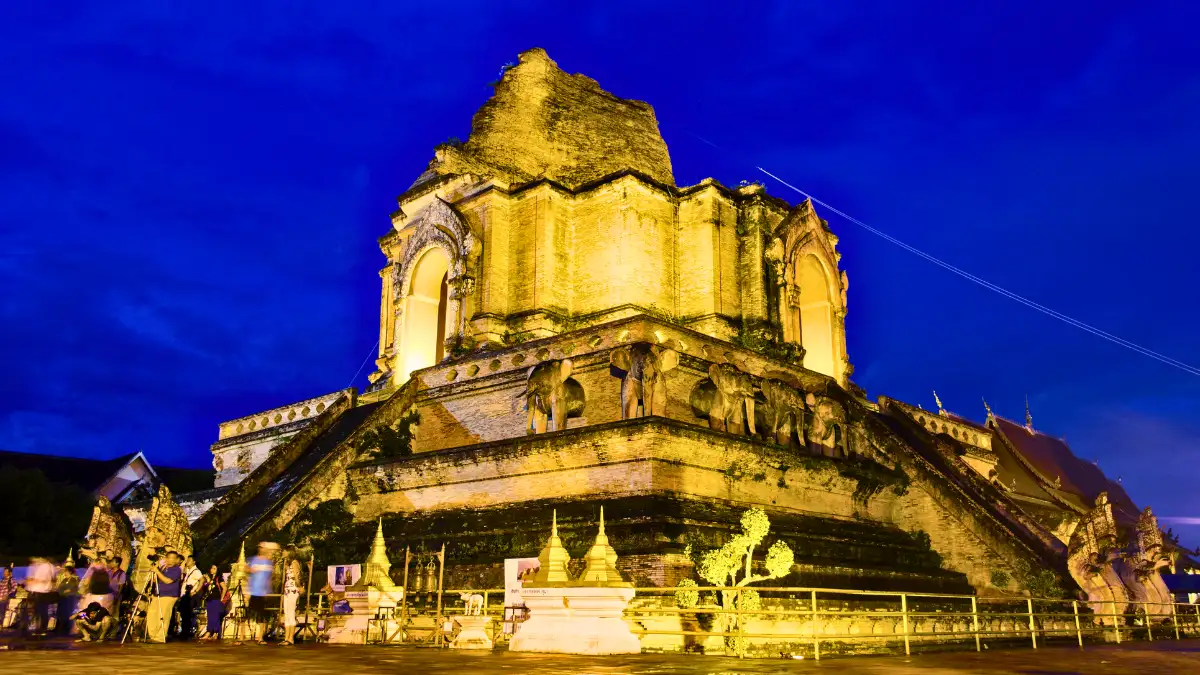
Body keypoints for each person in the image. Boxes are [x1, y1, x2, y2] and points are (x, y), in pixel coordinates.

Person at [145, 551, 182, 643]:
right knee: (152, 613)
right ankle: (153, 635)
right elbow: (155, 580)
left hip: (169, 595)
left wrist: (157, 571)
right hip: (158, 594)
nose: (172, 560)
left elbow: (168, 581)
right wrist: (155, 571)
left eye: (174, 558)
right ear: (166, 558)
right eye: (170, 558)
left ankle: (160, 637)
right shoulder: (163, 568)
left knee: (163, 615)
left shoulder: (177, 569)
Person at [245, 542, 278, 644]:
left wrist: (268, 590)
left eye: (263, 548)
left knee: (262, 616)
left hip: (262, 593)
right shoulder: (253, 560)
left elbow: (270, 578)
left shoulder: (269, 562)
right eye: (260, 548)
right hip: (253, 592)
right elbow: (246, 571)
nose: (262, 550)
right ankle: (242, 638)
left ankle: (260, 638)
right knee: (248, 615)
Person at [23, 556, 55, 635]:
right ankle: (38, 628)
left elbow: (43, 579)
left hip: (41, 592)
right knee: (39, 611)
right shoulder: (45, 566)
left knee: (41, 611)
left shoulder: (45, 566)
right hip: (40, 592)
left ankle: (41, 629)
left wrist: (32, 580)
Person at [179, 555, 203, 640]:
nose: (187, 561)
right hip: (184, 595)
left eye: (189, 560)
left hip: (189, 595)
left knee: (187, 615)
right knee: (184, 614)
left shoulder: (196, 571)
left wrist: (195, 591)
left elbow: (202, 580)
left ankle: (186, 633)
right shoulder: (189, 571)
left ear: (194, 562)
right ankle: (184, 631)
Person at [54, 557, 80, 635]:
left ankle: (67, 629)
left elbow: (72, 589)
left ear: (69, 572)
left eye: (66, 572)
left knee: (68, 613)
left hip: (69, 599)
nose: (64, 573)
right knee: (61, 614)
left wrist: (67, 591)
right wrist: (64, 591)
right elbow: (59, 588)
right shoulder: (64, 580)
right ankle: (60, 628)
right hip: (63, 598)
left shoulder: (73, 580)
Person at [201, 565, 227, 640]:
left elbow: (224, 588)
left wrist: (221, 598)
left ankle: (215, 633)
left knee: (215, 616)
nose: (212, 569)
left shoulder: (219, 578)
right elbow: (206, 587)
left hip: (216, 599)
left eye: (214, 568)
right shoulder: (209, 578)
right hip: (209, 599)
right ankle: (209, 632)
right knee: (210, 616)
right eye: (211, 568)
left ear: (217, 570)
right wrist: (207, 580)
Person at [281, 559, 301, 645]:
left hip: (293, 590)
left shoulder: (294, 562)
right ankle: (286, 638)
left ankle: (291, 638)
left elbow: (297, 577)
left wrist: (299, 586)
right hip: (287, 591)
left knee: (291, 613)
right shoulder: (287, 564)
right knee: (287, 614)